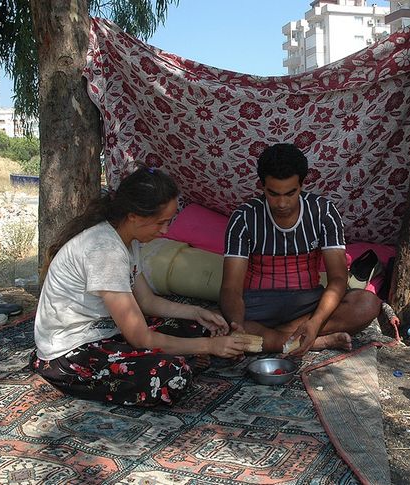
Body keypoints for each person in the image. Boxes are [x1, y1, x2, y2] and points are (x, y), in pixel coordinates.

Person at [31, 166, 250, 406]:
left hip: (107, 333)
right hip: (71, 352)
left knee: (199, 327)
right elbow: (139, 337)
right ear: (134, 216)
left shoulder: (128, 241)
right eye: (160, 223)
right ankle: (183, 359)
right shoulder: (105, 251)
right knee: (168, 374)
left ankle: (187, 354)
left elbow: (147, 301)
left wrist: (197, 313)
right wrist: (209, 346)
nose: (165, 231)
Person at [220, 143, 382, 356]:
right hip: (257, 307)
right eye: (273, 193)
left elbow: (338, 280)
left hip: (307, 306)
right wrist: (237, 325)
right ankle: (314, 342)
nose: (281, 203)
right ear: (261, 186)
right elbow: (231, 289)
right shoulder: (243, 217)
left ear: (302, 185)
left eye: (290, 193)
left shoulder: (324, 212)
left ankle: (278, 338)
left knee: (367, 304)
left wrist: (314, 322)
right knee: (215, 326)